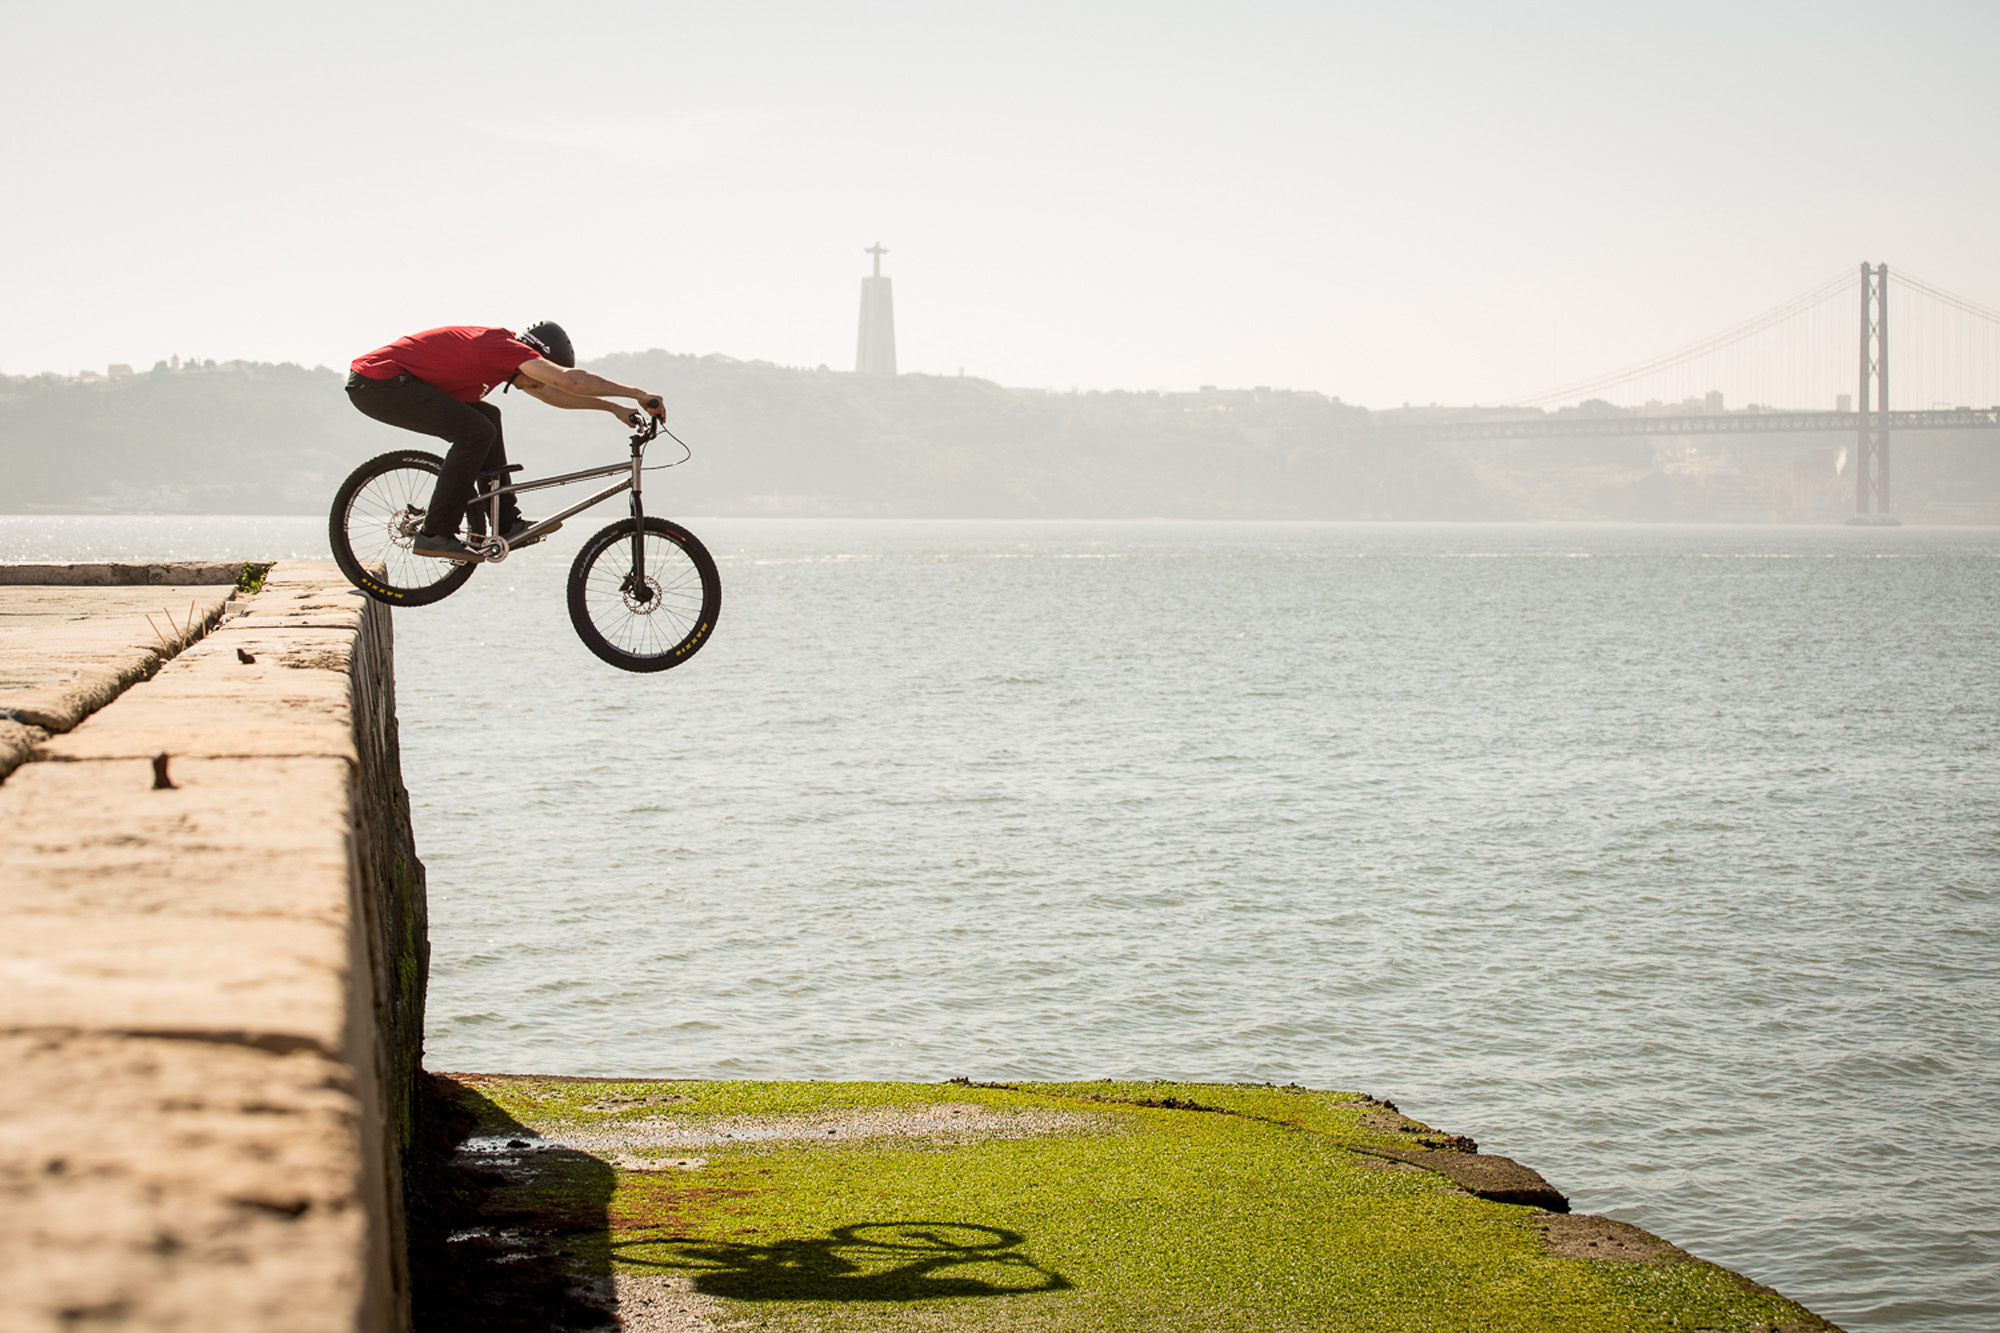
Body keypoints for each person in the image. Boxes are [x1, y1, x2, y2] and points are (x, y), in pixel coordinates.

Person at [346, 322, 667, 561]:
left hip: (389, 384)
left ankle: (505, 521)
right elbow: (567, 381)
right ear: (537, 356)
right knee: (476, 431)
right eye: (540, 374)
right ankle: (435, 533)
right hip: (379, 382)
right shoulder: (502, 348)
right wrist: (638, 393)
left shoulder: (504, 361)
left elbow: (556, 392)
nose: (538, 385)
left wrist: (613, 408)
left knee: (488, 418)